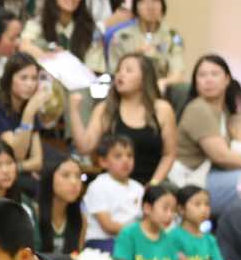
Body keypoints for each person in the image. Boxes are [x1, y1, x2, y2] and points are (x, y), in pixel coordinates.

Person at [73, 53, 177, 189]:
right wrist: (74, 110)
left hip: (150, 187)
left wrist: (152, 185)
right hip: (112, 187)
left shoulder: (162, 109)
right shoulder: (105, 109)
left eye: (128, 70)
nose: (120, 74)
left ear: (144, 78)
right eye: (119, 70)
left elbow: (169, 154)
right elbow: (85, 147)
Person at [177, 54, 241, 215]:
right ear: (195, 82)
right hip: (190, 179)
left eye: (214, 74)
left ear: (227, 79)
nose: (208, 80)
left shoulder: (225, 110)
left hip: (211, 174)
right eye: (202, 75)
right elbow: (221, 156)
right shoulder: (198, 108)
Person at [105, 0, 187, 89]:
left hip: (161, 87)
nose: (150, 7)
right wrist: (135, 57)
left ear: (162, 6)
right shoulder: (120, 36)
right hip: (127, 89)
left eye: (155, 0)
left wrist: (162, 83)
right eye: (143, 1)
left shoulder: (173, 36)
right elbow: (114, 73)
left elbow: (178, 73)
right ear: (135, 7)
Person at [22, 0, 104, 74]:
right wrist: (47, 58)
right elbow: (24, 45)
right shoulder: (38, 22)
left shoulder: (90, 29)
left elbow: (94, 69)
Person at [82, 136, 143, 251]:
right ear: (103, 161)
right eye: (118, 156)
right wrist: (140, 232)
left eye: (129, 155)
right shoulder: (98, 185)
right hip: (103, 241)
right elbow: (108, 226)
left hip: (133, 239)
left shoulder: (139, 188)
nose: (125, 160)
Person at [170, 184, 226, 260]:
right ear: (181, 209)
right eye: (197, 204)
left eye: (207, 204)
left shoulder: (209, 239)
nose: (204, 209)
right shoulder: (173, 237)